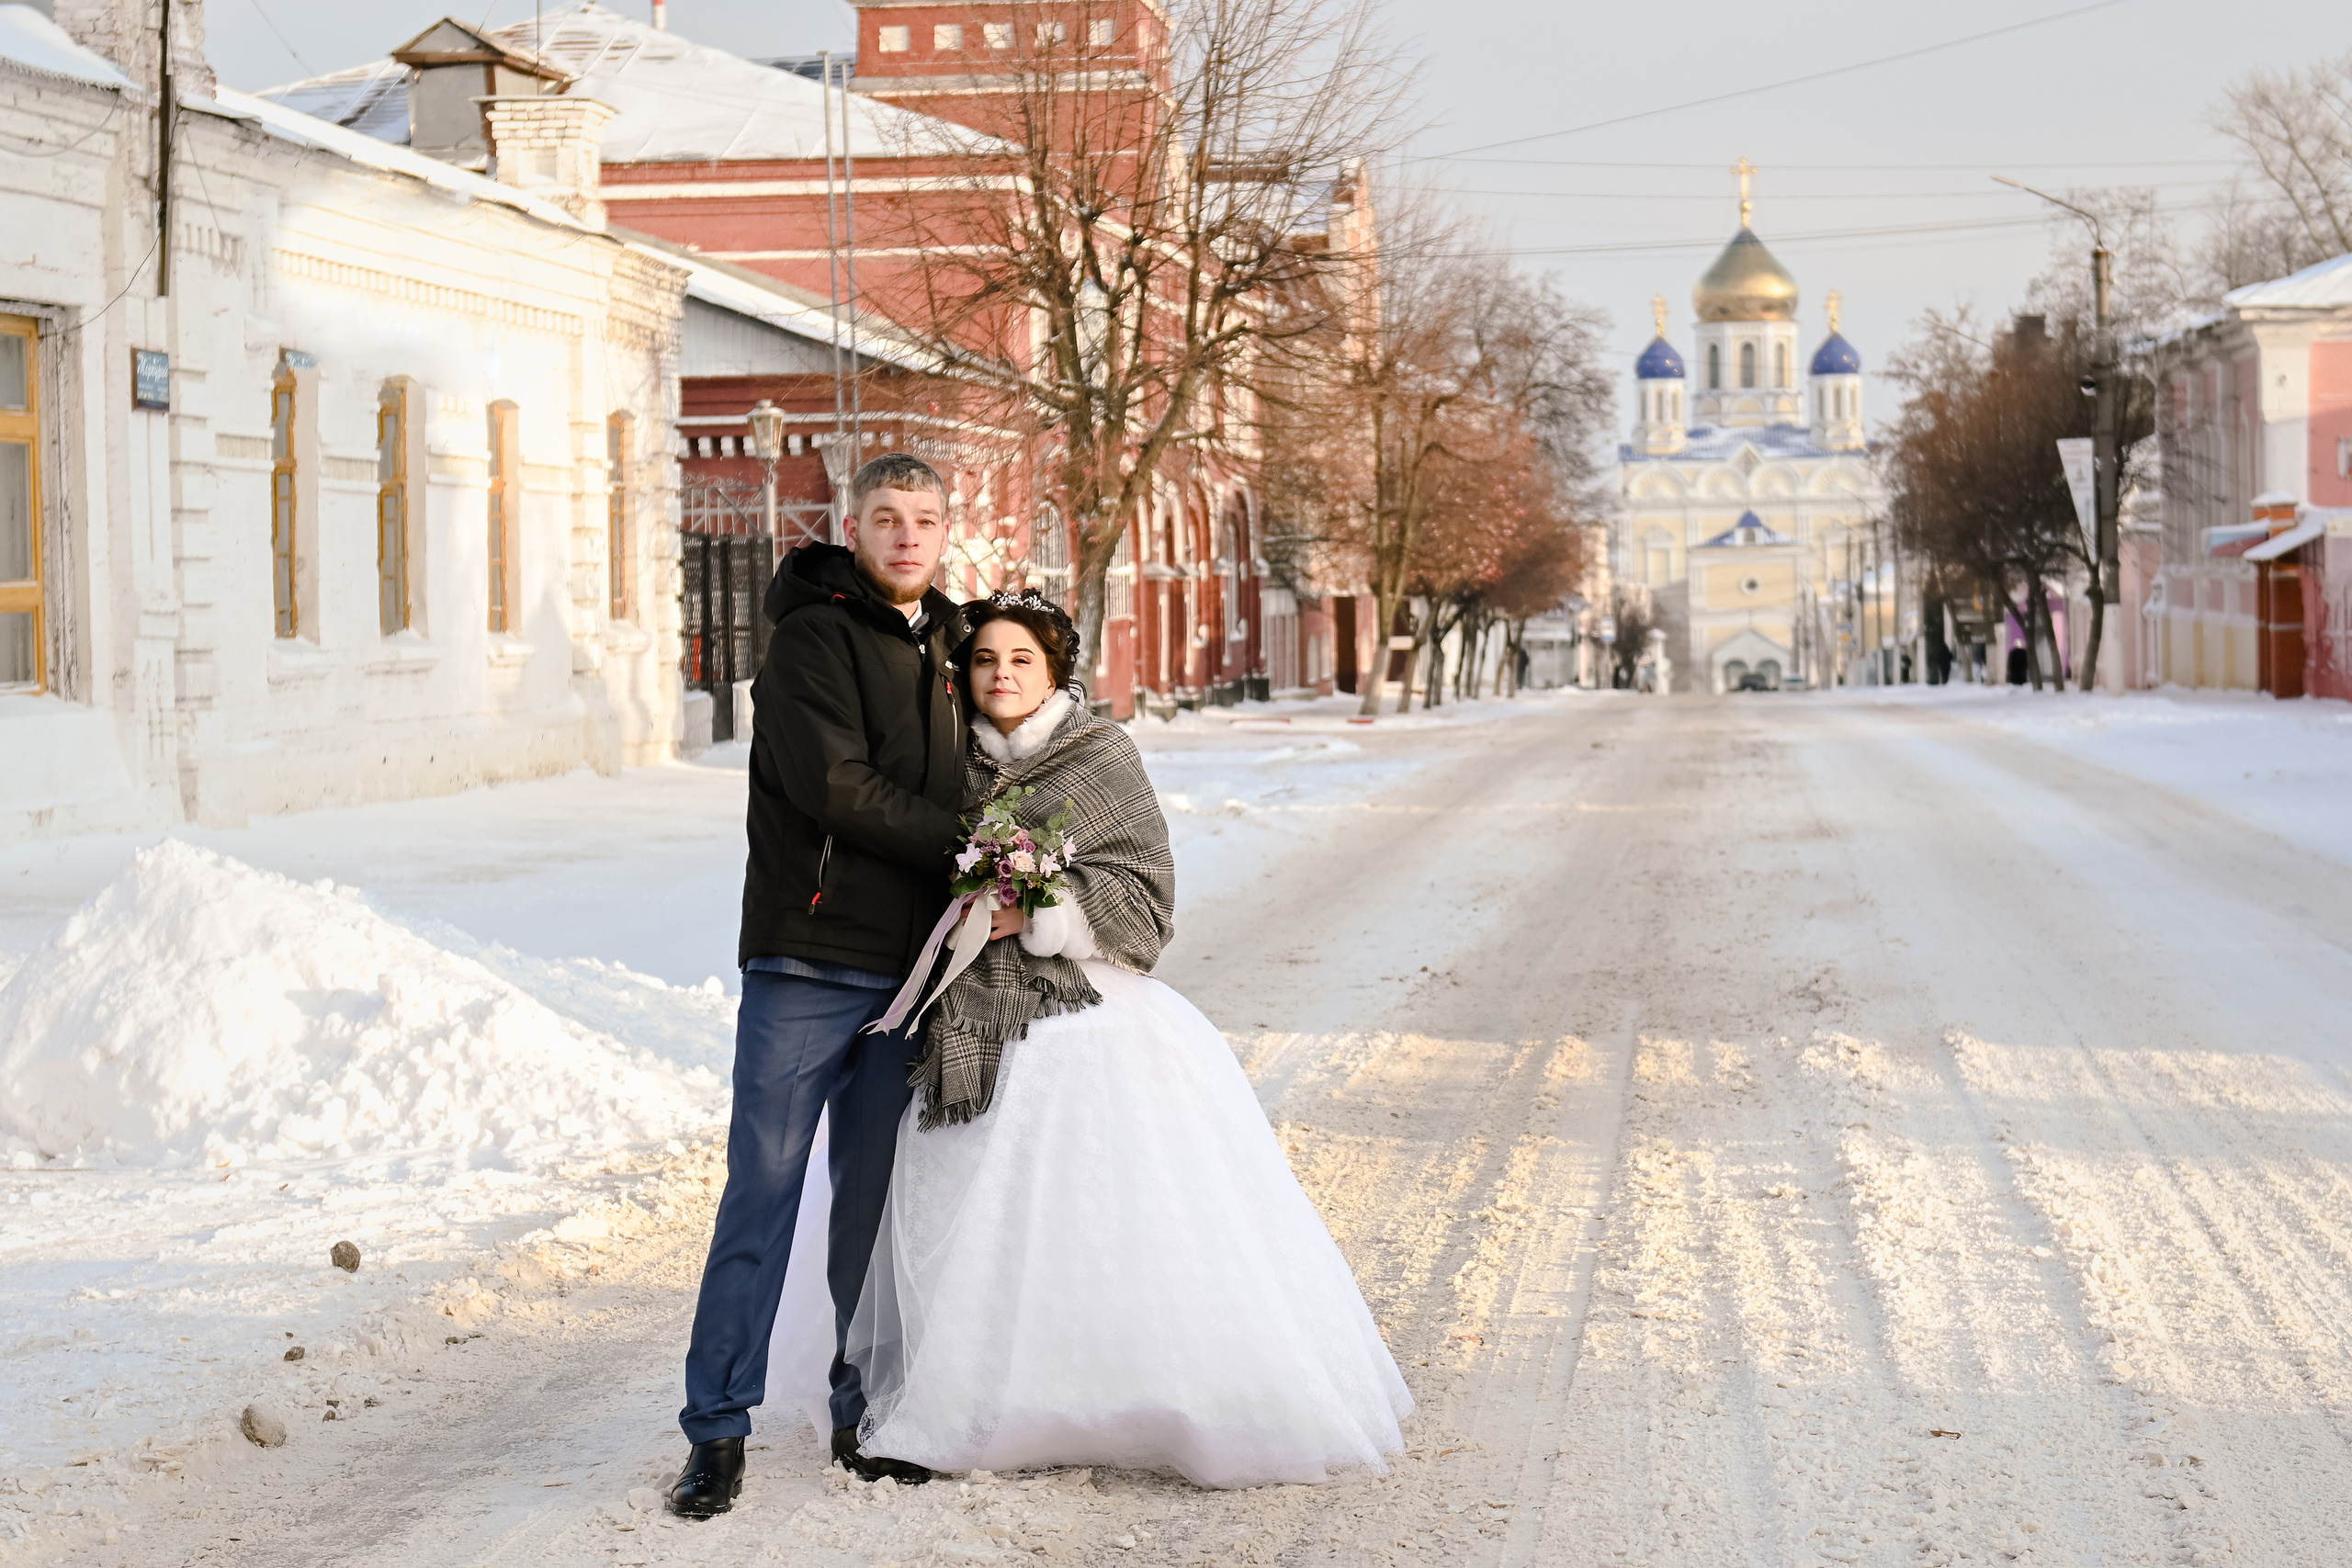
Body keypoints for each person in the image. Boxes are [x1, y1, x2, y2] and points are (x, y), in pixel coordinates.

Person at [765, 592, 1413, 1488]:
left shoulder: (1101, 753)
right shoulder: (939, 762)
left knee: (1100, 1199)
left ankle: (1123, 1389)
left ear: (1054, 671)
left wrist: (1037, 908)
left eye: (1020, 660)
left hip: (1078, 997)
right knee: (943, 1192)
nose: (1001, 675)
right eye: (984, 660)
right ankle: (962, 1391)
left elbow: (1147, 895)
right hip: (962, 1012)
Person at [667, 453, 965, 1519]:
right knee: (763, 1192)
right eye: (886, 517)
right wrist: (972, 841)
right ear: (853, 525)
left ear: (944, 532)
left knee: (874, 1211)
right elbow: (836, 786)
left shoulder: (952, 643)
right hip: (809, 957)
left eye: (923, 519)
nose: (905, 535)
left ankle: (861, 1411)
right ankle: (716, 1430)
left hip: (910, 973)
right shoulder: (809, 637)